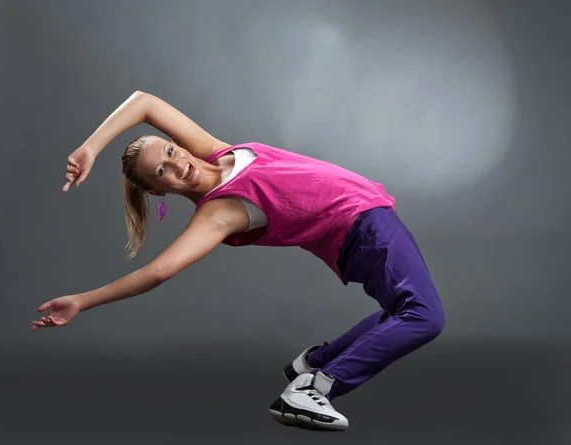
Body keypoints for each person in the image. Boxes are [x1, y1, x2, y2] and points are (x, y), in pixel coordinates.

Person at [32, 91, 445, 431]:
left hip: (368, 215)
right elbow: (158, 272)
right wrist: (82, 301)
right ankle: (315, 386)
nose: (179, 164)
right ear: (159, 191)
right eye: (163, 171)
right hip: (360, 230)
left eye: (172, 151)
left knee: (403, 311)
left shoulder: (215, 153)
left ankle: (315, 362)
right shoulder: (220, 213)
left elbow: (143, 102)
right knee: (424, 316)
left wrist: (90, 147)